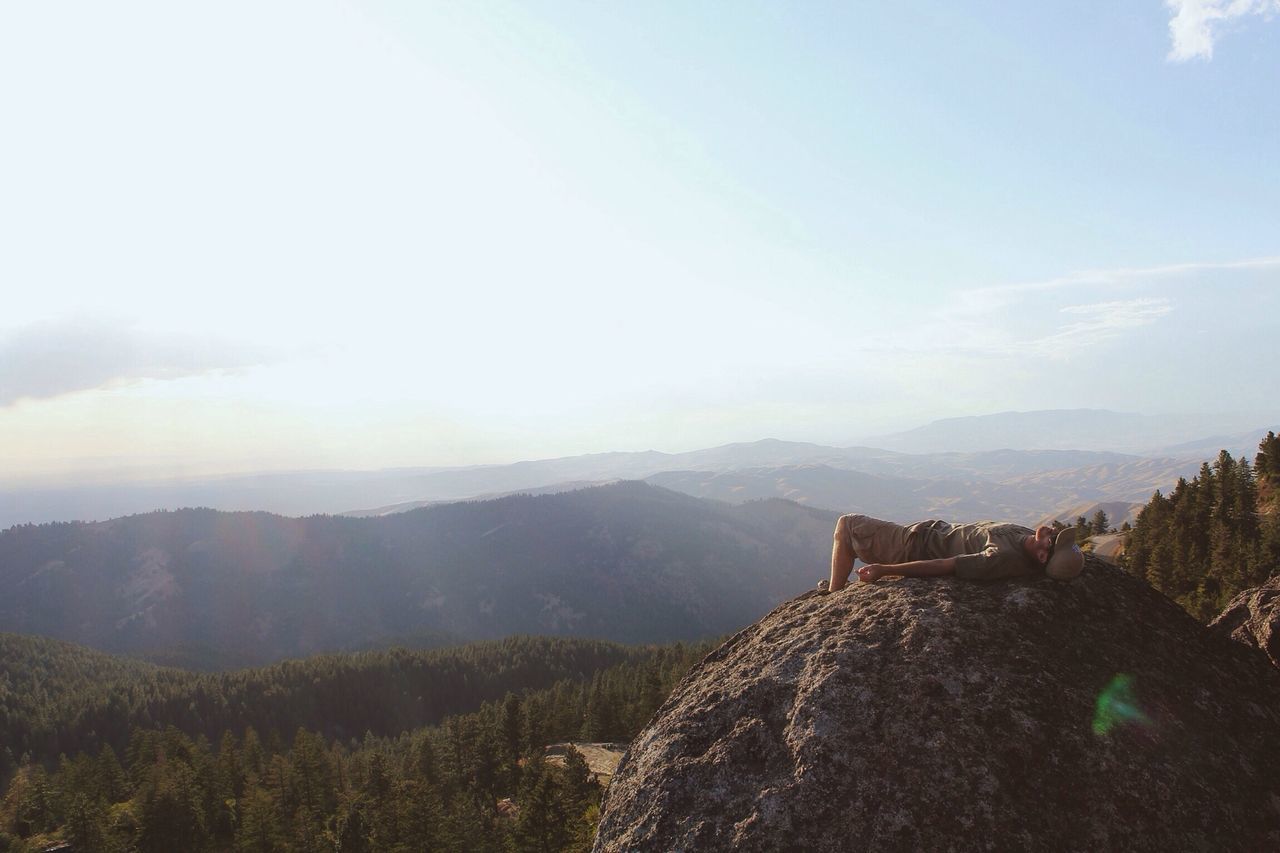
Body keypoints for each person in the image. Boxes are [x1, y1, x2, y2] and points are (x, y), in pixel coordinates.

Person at [824, 513, 1084, 593]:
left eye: (1053, 539)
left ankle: (834, 593)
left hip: (913, 544)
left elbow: (945, 565)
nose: (1053, 530)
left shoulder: (1002, 557)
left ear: (1042, 557)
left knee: (847, 524)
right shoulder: (1025, 538)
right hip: (925, 531)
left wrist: (884, 570)